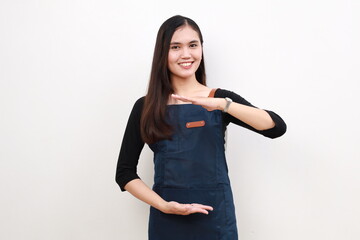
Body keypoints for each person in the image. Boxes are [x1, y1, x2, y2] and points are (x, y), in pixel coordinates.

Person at [115, 15, 287, 240]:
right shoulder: (146, 106)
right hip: (167, 219)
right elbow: (124, 173)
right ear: (162, 53)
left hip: (215, 217)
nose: (186, 54)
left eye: (193, 45)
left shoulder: (220, 99)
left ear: (201, 49)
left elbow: (275, 127)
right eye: (175, 47)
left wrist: (222, 105)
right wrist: (164, 206)